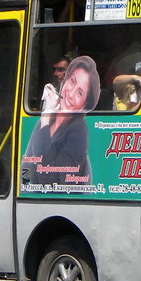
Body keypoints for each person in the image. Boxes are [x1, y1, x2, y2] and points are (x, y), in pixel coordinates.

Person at [22, 55, 100, 186]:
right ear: (65, 81)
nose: (71, 93)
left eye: (80, 93)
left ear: (85, 105)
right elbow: (26, 164)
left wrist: (46, 118)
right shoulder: (47, 119)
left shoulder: (78, 131)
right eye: (72, 81)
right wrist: (23, 185)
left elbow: (51, 182)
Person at [39, 56, 70, 126]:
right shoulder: (50, 92)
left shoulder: (79, 93)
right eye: (54, 70)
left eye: (61, 70)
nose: (55, 74)